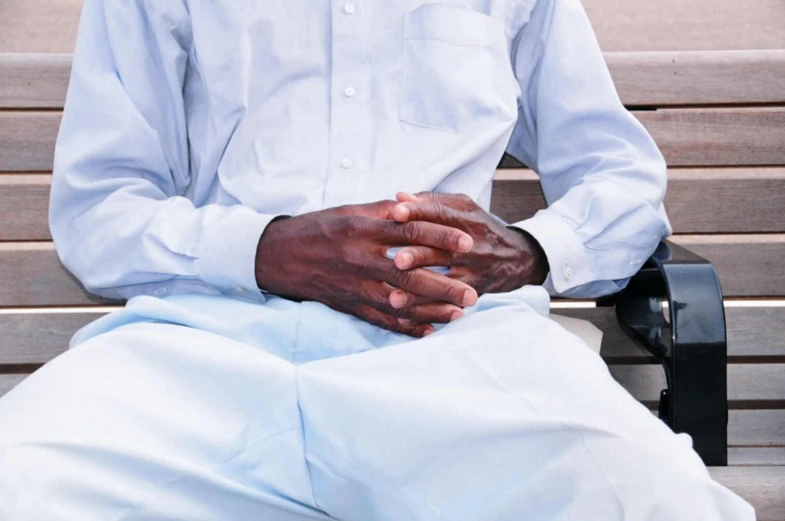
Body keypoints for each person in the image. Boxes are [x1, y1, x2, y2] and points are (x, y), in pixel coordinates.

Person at [0, 0, 755, 519]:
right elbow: (99, 207)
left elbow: (618, 177)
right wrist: (267, 248)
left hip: (455, 350)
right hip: (200, 347)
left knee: (651, 497)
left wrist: (525, 250)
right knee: (18, 482)